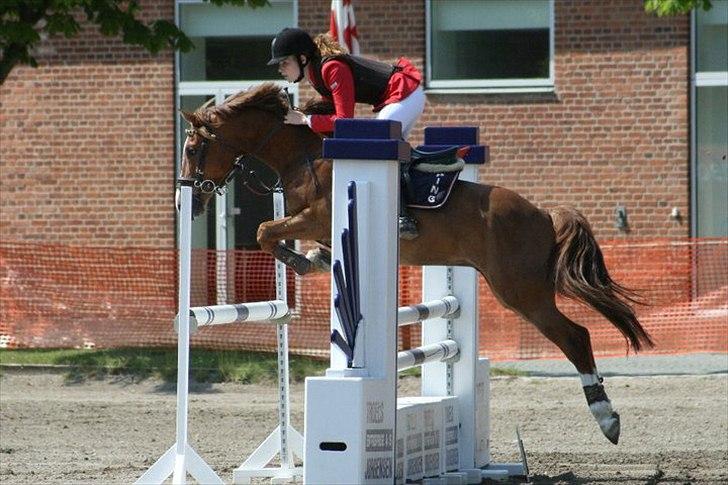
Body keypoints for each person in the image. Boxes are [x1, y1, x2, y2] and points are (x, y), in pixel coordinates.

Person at [267, 27, 425, 240]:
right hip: (396, 98)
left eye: (284, 62)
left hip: (405, 94)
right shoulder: (314, 74)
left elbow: (344, 120)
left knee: (378, 144)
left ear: (302, 58)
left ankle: (403, 217)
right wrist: (304, 116)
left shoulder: (331, 68)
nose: (281, 69)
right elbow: (331, 115)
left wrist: (306, 120)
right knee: (386, 146)